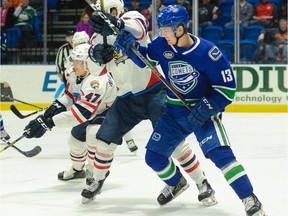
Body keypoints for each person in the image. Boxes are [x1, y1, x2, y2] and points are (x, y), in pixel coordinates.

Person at [114, 4, 267, 216]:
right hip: (174, 114)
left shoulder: (208, 53)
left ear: (179, 29)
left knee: (221, 155)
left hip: (203, 114)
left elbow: (227, 89)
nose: (162, 34)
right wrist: (132, 49)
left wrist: (210, 105)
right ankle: (176, 183)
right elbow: (145, 61)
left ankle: (249, 198)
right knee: (154, 158)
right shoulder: (161, 45)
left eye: (166, 30)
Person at [81, 0, 217, 206]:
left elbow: (139, 29)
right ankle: (98, 181)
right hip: (125, 99)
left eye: (110, 12)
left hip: (154, 92)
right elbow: (93, 70)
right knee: (104, 141)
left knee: (176, 143)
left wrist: (116, 24)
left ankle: (202, 183)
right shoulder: (96, 38)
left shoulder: (130, 18)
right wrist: (94, 55)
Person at [23, 43, 118, 185]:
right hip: (87, 109)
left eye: (78, 62)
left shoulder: (96, 81)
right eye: (73, 61)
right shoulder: (72, 73)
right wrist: (49, 113)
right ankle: (77, 169)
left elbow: (80, 114)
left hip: (108, 110)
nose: (73, 65)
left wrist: (48, 123)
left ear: (88, 63)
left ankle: (92, 171)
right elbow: (70, 96)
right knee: (74, 141)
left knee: (93, 134)